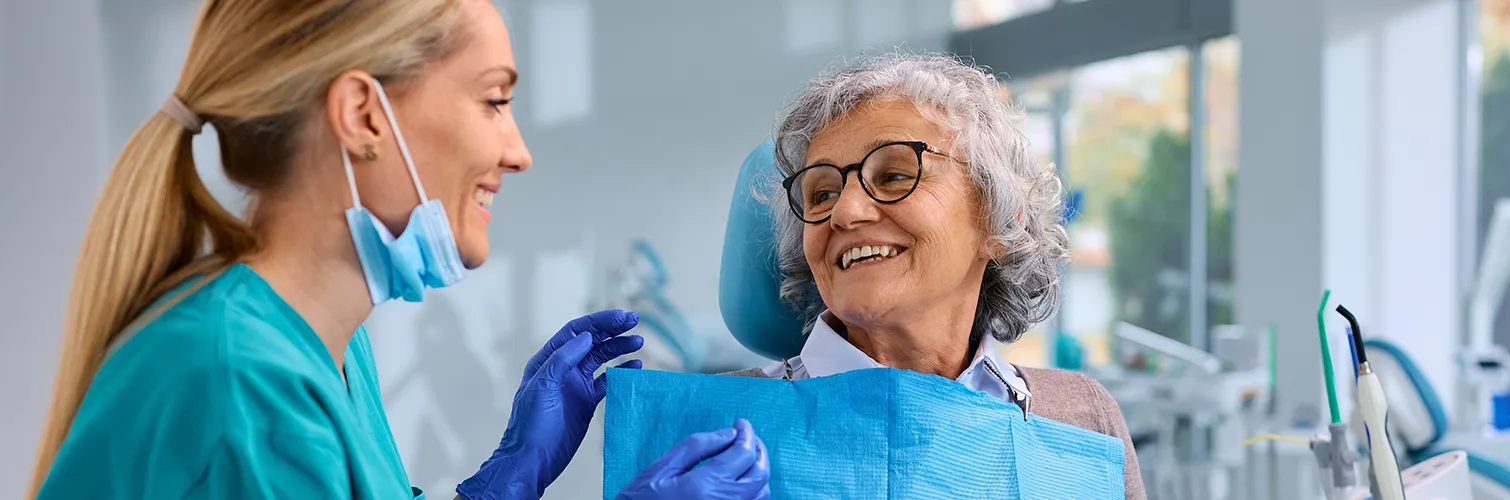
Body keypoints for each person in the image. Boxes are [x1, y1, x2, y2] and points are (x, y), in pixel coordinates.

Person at [28, 1, 766, 498]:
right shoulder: (244, 387)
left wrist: (507, 478)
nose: (517, 151)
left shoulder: (323, 352)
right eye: (494, 100)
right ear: (361, 116)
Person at [724, 51, 1147, 499]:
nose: (845, 212)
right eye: (822, 193)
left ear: (998, 222)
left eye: (893, 176)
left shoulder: (1082, 415)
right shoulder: (713, 424)